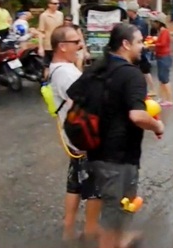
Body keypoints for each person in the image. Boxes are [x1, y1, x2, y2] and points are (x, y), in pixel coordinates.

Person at [83, 23, 164, 248]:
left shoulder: (95, 68)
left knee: (116, 207)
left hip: (94, 152)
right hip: (119, 157)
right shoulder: (132, 75)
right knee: (115, 212)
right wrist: (157, 127)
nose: (142, 47)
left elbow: (75, 99)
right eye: (139, 42)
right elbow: (138, 116)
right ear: (126, 44)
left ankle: (120, 239)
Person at [48, 25, 101, 241]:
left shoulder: (61, 68)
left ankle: (68, 227)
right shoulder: (65, 73)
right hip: (85, 137)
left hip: (76, 137)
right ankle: (90, 231)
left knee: (75, 183)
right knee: (95, 188)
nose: (80, 46)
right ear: (62, 46)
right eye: (76, 42)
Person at [127, 2, 156, 95]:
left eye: (128, 10)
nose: (127, 12)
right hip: (133, 48)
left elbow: (142, 36)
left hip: (140, 49)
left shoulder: (140, 23)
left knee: (145, 69)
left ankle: (151, 89)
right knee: (138, 69)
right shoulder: (132, 21)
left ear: (132, 11)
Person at [150, 13, 173, 106]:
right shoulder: (162, 32)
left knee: (165, 79)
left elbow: (162, 44)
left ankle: (169, 99)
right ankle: (163, 98)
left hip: (164, 56)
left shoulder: (164, 32)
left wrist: (153, 45)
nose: (154, 24)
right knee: (161, 79)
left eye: (155, 22)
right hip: (161, 56)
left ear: (159, 23)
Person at [38, 0, 64, 76]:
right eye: (55, 3)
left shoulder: (60, 14)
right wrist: (40, 47)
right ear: (49, 4)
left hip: (59, 43)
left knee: (60, 65)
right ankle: (46, 84)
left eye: (58, 4)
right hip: (48, 44)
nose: (57, 5)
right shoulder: (44, 16)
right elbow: (41, 32)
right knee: (47, 66)